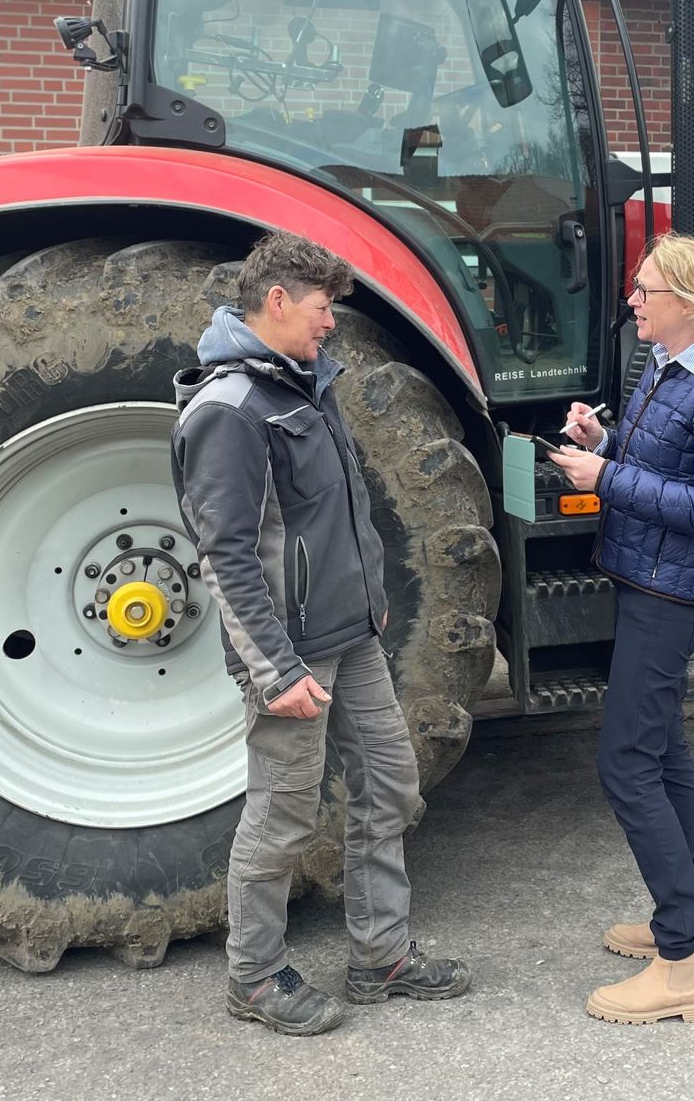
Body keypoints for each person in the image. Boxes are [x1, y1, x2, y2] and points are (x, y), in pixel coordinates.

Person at [171, 229, 471, 1036]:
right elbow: (225, 556)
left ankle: (382, 956)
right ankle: (254, 976)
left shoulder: (303, 384)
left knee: (391, 785)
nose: (331, 321)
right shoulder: (230, 410)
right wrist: (274, 670)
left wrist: (369, 601)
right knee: (283, 817)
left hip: (350, 636)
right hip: (290, 654)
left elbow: (334, 511)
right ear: (277, 301)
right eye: (321, 305)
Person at [550, 233, 694, 1026]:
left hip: (673, 595)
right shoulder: (666, 365)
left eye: (646, 289)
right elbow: (666, 468)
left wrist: (606, 477)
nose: (633, 300)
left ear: (692, 303)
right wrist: (602, 444)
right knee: (663, 748)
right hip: (648, 581)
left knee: (626, 764)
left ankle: (681, 966)